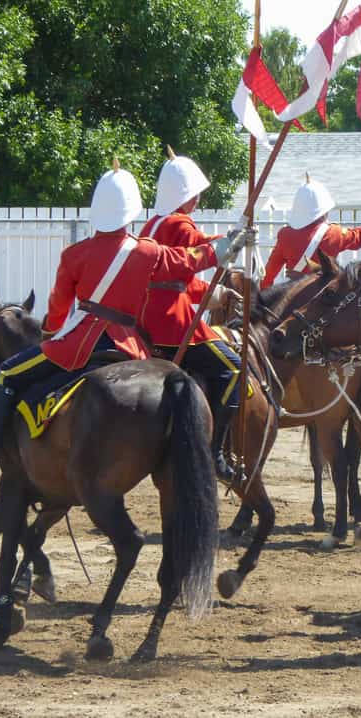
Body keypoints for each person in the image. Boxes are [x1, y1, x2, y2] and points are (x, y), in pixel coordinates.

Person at [0, 164, 245, 481]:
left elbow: (59, 308)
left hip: (79, 345)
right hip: (132, 346)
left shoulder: (74, 254)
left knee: (6, 374)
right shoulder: (147, 251)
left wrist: (51, 335)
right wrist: (224, 248)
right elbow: (187, 260)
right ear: (132, 208)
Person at [138, 150, 248, 483]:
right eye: (195, 193)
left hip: (145, 322)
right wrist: (230, 240)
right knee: (234, 369)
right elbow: (198, 249)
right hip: (174, 323)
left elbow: (178, 280)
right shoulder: (179, 223)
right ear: (185, 195)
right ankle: (215, 450)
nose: (198, 200)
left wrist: (220, 294)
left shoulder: (152, 223)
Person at [261, 176, 361, 289]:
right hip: (323, 298)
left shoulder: (285, 235)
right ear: (324, 210)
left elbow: (269, 273)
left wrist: (263, 295)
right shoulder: (335, 233)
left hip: (295, 296)